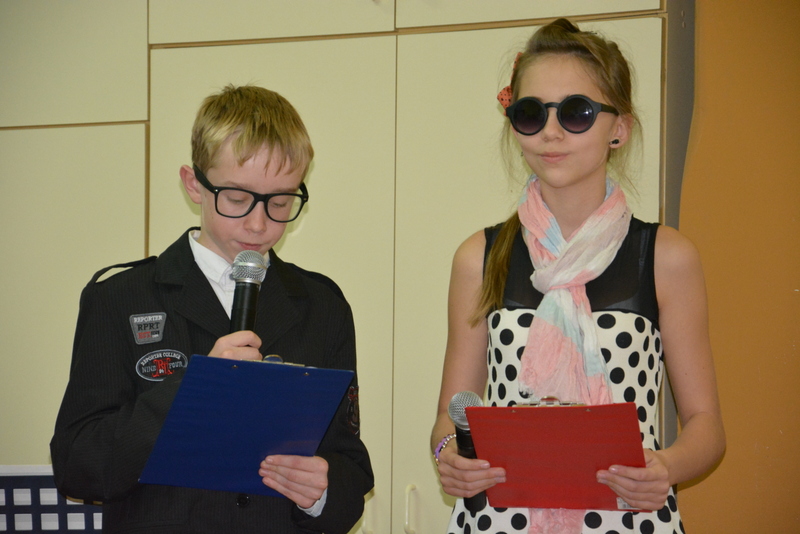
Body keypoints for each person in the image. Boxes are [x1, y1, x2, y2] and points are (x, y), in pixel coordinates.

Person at [430, 19, 725, 534]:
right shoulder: (479, 257)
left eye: (576, 112)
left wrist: (666, 467)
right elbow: (451, 416)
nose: (551, 131)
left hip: (628, 517)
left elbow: (706, 426)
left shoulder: (664, 256)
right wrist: (449, 454)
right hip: (500, 520)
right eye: (531, 112)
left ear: (619, 128)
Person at [50, 85, 373, 534]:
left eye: (280, 202)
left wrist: (321, 491)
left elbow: (351, 472)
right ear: (193, 184)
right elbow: (77, 467)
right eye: (237, 199)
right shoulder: (120, 297)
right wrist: (190, 391)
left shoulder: (323, 306)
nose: (259, 224)